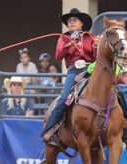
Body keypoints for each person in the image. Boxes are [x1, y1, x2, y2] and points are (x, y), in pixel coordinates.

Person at [41, 8, 97, 143]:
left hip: (90, 70)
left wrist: (99, 46)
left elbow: (96, 58)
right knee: (65, 98)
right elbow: (58, 56)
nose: (71, 22)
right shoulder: (64, 37)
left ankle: (123, 129)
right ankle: (51, 130)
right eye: (69, 20)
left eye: (74, 20)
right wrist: (68, 45)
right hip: (73, 70)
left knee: (110, 92)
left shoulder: (91, 38)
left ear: (81, 23)